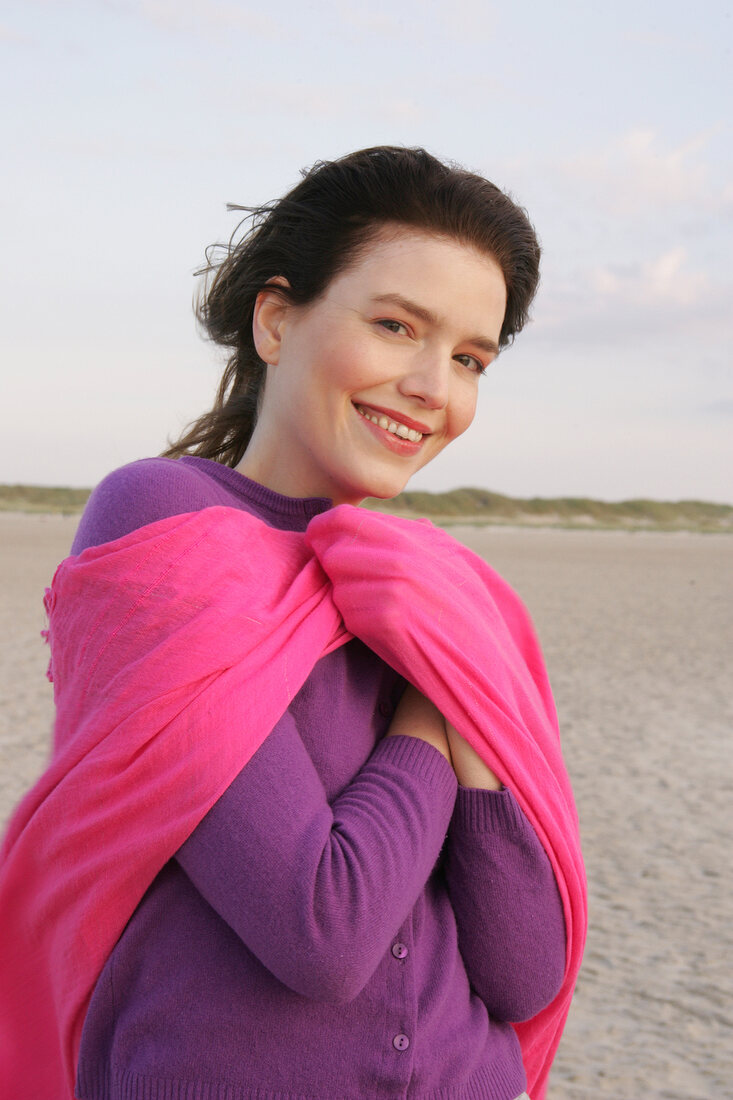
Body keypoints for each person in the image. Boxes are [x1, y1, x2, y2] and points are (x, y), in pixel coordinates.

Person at [0, 147, 586, 1100]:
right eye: (398, 326)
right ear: (276, 320)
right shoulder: (164, 520)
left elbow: (524, 970)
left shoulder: (428, 587)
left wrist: (430, 640)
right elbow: (321, 926)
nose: (434, 388)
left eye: (469, 358)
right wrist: (433, 709)